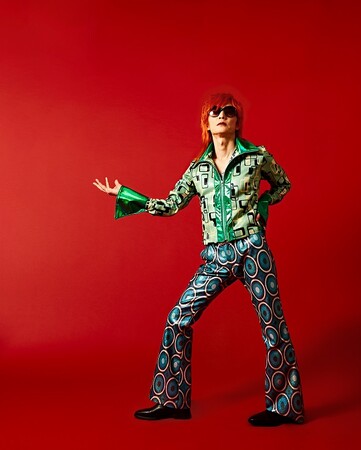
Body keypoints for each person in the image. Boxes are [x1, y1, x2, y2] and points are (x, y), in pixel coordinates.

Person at [93, 93, 304, 426]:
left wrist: (263, 204)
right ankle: (173, 400)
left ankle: (285, 408)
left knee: (273, 326)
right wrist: (125, 195)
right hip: (216, 256)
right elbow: (170, 205)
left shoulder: (257, 157)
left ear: (237, 120)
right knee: (178, 319)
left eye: (228, 111)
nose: (221, 115)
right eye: (214, 111)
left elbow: (283, 184)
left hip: (253, 249)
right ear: (206, 122)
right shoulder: (197, 169)